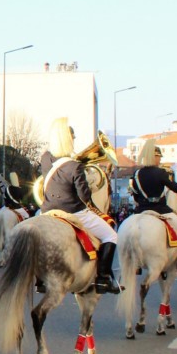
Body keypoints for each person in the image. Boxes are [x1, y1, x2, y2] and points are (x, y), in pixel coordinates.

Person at [40, 117, 120, 294]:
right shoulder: (75, 166)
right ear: (69, 140)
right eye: (73, 138)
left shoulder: (45, 159)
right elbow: (84, 196)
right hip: (73, 212)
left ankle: (40, 278)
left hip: (47, 211)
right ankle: (103, 277)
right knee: (111, 236)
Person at [129, 139, 177, 277]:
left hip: (140, 211)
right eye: (159, 157)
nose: (160, 160)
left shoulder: (136, 174)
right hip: (160, 210)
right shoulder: (161, 173)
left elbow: (134, 195)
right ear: (155, 157)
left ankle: (135, 263)